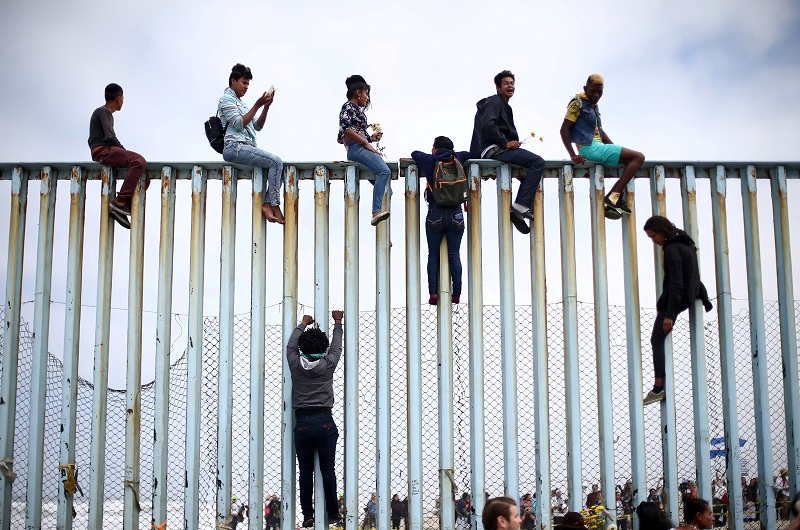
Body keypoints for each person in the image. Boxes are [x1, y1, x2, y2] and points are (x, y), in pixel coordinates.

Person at [643, 216, 713, 405]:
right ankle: (658, 387)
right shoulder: (685, 242)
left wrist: (670, 315)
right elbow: (692, 273)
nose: (654, 241)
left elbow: (676, 283)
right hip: (689, 294)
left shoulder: (672, 249)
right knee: (657, 339)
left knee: (656, 339)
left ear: (662, 231)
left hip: (678, 298)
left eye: (654, 236)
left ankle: (658, 388)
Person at [470, 70, 546, 235]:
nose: (510, 86)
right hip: (493, 149)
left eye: (512, 83)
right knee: (537, 162)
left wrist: (513, 143)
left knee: (528, 178)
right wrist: (505, 143)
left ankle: (519, 211)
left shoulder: (506, 107)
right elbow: (488, 125)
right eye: (506, 83)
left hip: (498, 148)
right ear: (498, 88)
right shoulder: (493, 102)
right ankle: (520, 207)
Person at [559, 74, 645, 219]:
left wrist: (613, 147)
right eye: (592, 91)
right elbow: (564, 130)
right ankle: (613, 197)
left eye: (599, 92)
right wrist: (572, 154)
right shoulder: (577, 103)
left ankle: (615, 198)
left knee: (631, 159)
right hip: (589, 148)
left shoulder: (593, 105)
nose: (596, 95)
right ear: (585, 89)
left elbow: (599, 130)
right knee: (638, 157)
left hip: (597, 146)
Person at [288, 311, 345, 527]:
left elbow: (290, 346)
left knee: (305, 471)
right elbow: (337, 347)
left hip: (302, 422)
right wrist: (337, 322)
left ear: (302, 347)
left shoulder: (295, 363)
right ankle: (333, 513)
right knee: (327, 470)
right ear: (323, 347)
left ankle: (307, 515)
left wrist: (302, 324)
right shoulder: (328, 364)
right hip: (324, 421)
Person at [218, 63, 285, 223]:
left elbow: (257, 126)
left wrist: (265, 107)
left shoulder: (241, 103)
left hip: (245, 147)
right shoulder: (225, 99)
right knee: (276, 162)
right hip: (234, 147)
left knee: (279, 167)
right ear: (233, 80)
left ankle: (268, 203)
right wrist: (257, 104)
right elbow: (238, 124)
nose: (246, 87)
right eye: (243, 82)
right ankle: (274, 205)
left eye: (248, 84)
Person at [412, 136, 470, 305]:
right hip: (456, 215)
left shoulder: (430, 160)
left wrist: (432, 155)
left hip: (435, 214)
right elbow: (472, 153)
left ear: (436, 148)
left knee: (433, 254)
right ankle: (456, 294)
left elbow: (414, 153)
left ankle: (433, 293)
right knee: (454, 255)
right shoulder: (458, 158)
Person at [88, 83, 148, 229]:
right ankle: (119, 202)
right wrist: (124, 152)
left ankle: (123, 206)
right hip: (103, 151)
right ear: (118, 99)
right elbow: (110, 137)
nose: (123, 101)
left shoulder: (106, 113)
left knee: (145, 176)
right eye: (123, 98)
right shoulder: (102, 111)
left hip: (106, 150)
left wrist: (124, 154)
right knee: (139, 161)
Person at [338, 75, 391, 226]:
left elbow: (355, 132)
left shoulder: (356, 110)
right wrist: (366, 143)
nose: (367, 98)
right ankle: (376, 212)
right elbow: (345, 129)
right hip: (356, 149)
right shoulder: (349, 107)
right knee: (384, 171)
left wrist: (371, 138)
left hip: (359, 147)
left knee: (386, 187)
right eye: (366, 93)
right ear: (358, 93)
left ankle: (382, 218)